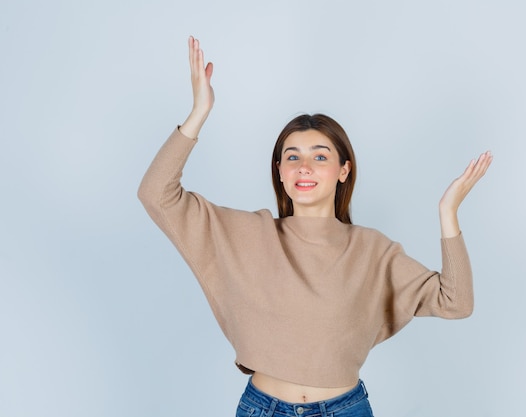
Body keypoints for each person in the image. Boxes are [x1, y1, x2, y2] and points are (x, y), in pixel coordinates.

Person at [138, 36, 493, 417]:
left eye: (319, 156)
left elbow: (457, 302)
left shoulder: (373, 251)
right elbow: (156, 194)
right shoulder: (245, 233)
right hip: (263, 408)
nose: (304, 166)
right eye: (292, 156)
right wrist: (198, 112)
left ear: (344, 170)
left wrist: (448, 212)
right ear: (280, 172)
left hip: (347, 409)